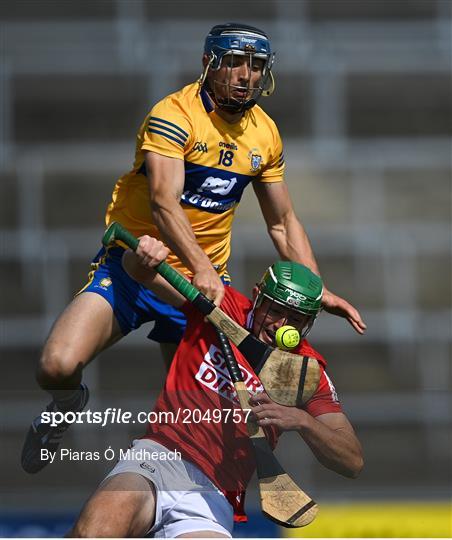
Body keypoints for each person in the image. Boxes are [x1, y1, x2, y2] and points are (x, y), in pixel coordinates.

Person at [21, 22, 366, 475]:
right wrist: (201, 267)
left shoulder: (265, 134)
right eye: (236, 63)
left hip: (201, 288)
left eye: (257, 65)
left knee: (194, 416)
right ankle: (68, 400)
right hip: (137, 265)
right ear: (210, 64)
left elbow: (281, 222)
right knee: (56, 364)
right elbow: (164, 203)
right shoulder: (173, 114)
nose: (247, 75)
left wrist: (316, 289)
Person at [68, 236, 363, 538]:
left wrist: (302, 421)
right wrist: (141, 256)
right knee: (97, 530)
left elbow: (352, 460)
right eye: (274, 311)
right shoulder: (221, 304)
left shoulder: (307, 372)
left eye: (297, 320)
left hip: (216, 496)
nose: (280, 326)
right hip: (160, 458)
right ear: (257, 296)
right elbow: (139, 273)